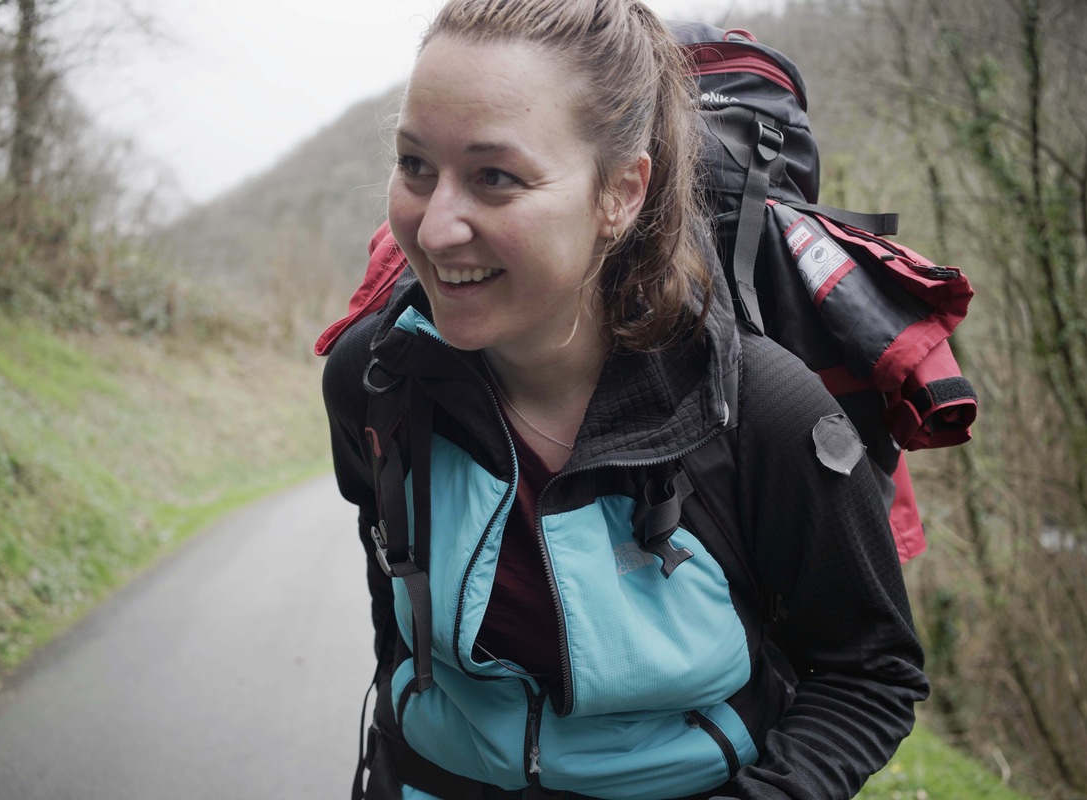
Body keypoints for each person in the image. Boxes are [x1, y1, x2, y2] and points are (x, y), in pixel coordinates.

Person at [320, 0, 929, 797]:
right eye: (415, 166)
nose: (434, 230)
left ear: (621, 193)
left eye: (495, 177)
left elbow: (868, 674)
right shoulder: (375, 376)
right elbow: (396, 614)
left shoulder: (763, 414)